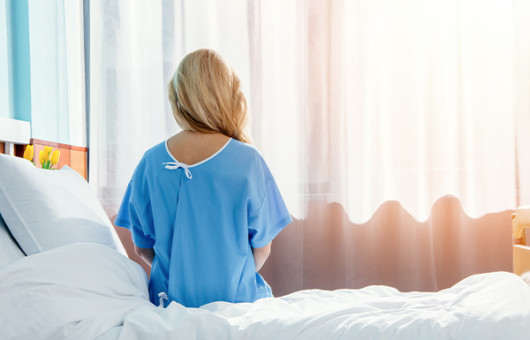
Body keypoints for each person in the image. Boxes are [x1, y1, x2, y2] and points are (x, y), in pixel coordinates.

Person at [115, 49, 292, 308]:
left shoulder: (150, 162)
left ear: (178, 98)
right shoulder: (248, 160)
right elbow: (262, 249)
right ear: (228, 96)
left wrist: (179, 274)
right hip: (236, 303)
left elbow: (142, 248)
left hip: (169, 305)